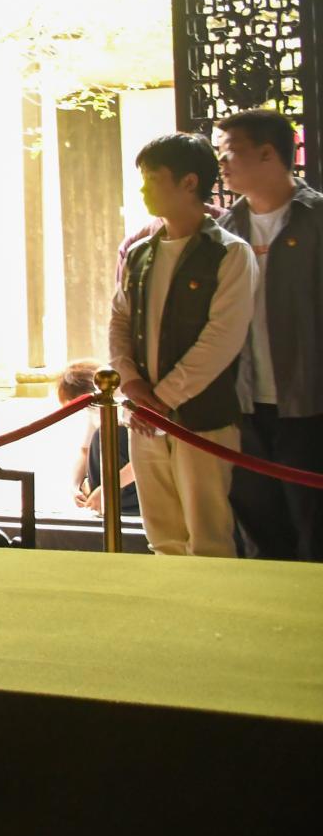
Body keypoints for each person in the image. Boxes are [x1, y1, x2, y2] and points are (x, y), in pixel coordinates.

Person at [108, 132, 255, 558]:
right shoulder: (140, 253)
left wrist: (163, 399)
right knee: (162, 536)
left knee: (208, 536)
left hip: (201, 417)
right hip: (145, 415)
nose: (143, 189)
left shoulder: (229, 253)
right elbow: (119, 321)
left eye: (152, 179)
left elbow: (222, 338)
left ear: (189, 182)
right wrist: (131, 383)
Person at [217, 107, 323, 561]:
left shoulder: (315, 219)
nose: (222, 163)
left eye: (230, 152)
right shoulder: (224, 230)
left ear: (267, 153)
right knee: (261, 534)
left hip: (309, 405)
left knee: (314, 531)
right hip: (243, 406)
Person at [60, 360, 137, 522]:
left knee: (109, 434)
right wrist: (74, 487)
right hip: (111, 486)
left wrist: (106, 489)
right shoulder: (93, 408)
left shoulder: (126, 401)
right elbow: (85, 451)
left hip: (136, 484)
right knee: (99, 437)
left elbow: (142, 460)